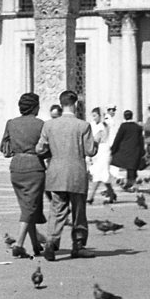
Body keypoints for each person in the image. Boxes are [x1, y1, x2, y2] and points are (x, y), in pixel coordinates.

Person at [35, 88, 97, 259]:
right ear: (75, 105)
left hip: (56, 172)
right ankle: (78, 245)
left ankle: (50, 242)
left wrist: (52, 152)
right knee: (79, 212)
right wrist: (96, 141)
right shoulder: (83, 125)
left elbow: (40, 148)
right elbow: (90, 151)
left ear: (61, 105)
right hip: (76, 173)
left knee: (57, 209)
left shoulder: (49, 125)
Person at [0, 93, 46, 257]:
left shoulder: (11, 123)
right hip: (34, 167)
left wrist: (17, 150)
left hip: (16, 167)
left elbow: (4, 148)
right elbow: (45, 148)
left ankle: (35, 244)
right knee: (30, 206)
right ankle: (19, 243)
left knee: (27, 206)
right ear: (34, 107)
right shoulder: (41, 124)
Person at [109, 107, 145, 189]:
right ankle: (131, 183)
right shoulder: (137, 127)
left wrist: (113, 149)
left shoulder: (123, 126)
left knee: (128, 166)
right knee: (132, 167)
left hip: (125, 149)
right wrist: (142, 150)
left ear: (124, 117)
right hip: (135, 149)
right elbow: (141, 139)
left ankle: (131, 184)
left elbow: (118, 138)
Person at [86, 105, 113, 206]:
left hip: (103, 150)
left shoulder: (104, 125)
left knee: (98, 173)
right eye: (93, 116)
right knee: (102, 175)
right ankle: (111, 193)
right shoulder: (92, 125)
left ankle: (90, 197)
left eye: (95, 115)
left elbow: (99, 137)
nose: (94, 118)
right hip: (95, 151)